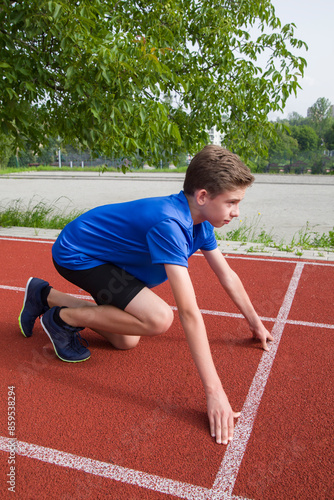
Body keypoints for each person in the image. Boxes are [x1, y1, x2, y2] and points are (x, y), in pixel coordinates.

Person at [18, 145, 273, 445]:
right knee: (160, 317)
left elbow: (227, 276)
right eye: (232, 202)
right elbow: (189, 313)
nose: (236, 212)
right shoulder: (170, 223)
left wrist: (255, 323)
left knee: (125, 340)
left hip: (110, 261)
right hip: (78, 253)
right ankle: (61, 319)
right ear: (203, 196)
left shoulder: (199, 222)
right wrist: (215, 391)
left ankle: (45, 296)